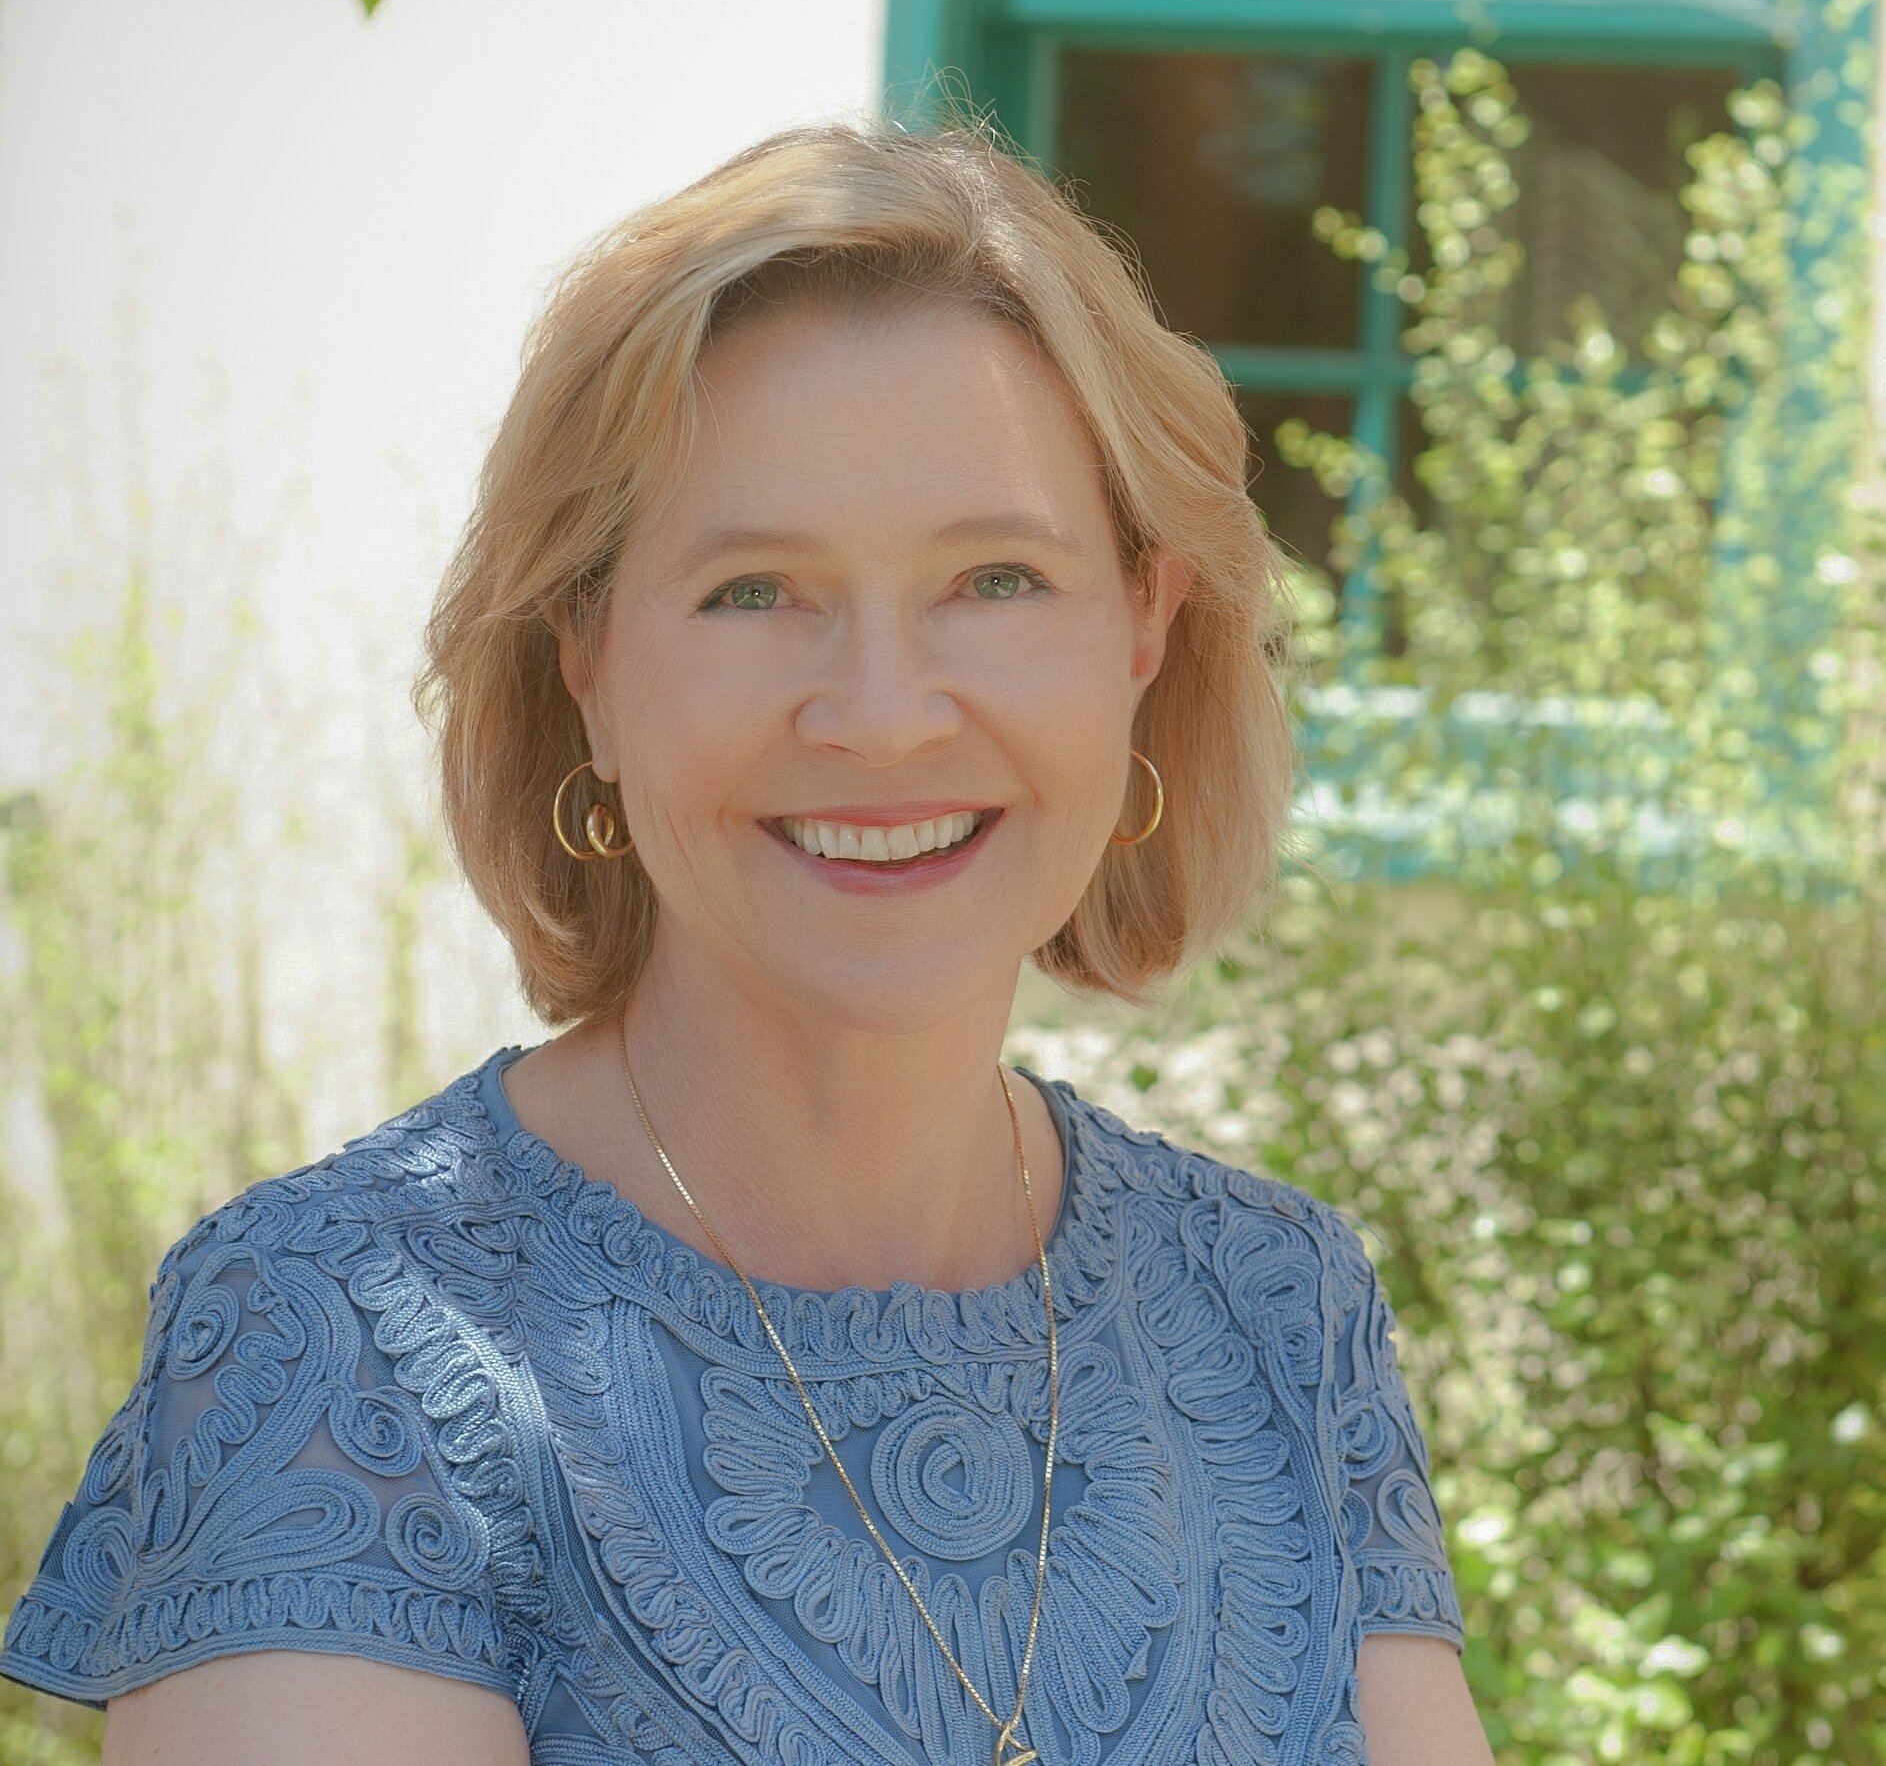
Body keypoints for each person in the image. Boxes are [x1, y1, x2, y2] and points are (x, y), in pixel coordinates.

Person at [0, 120, 1494, 1765]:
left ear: (1145, 623)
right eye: (754, 591)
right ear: (584, 655)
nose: (881, 714)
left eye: (995, 579)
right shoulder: (344, 1336)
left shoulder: (1275, 1307)